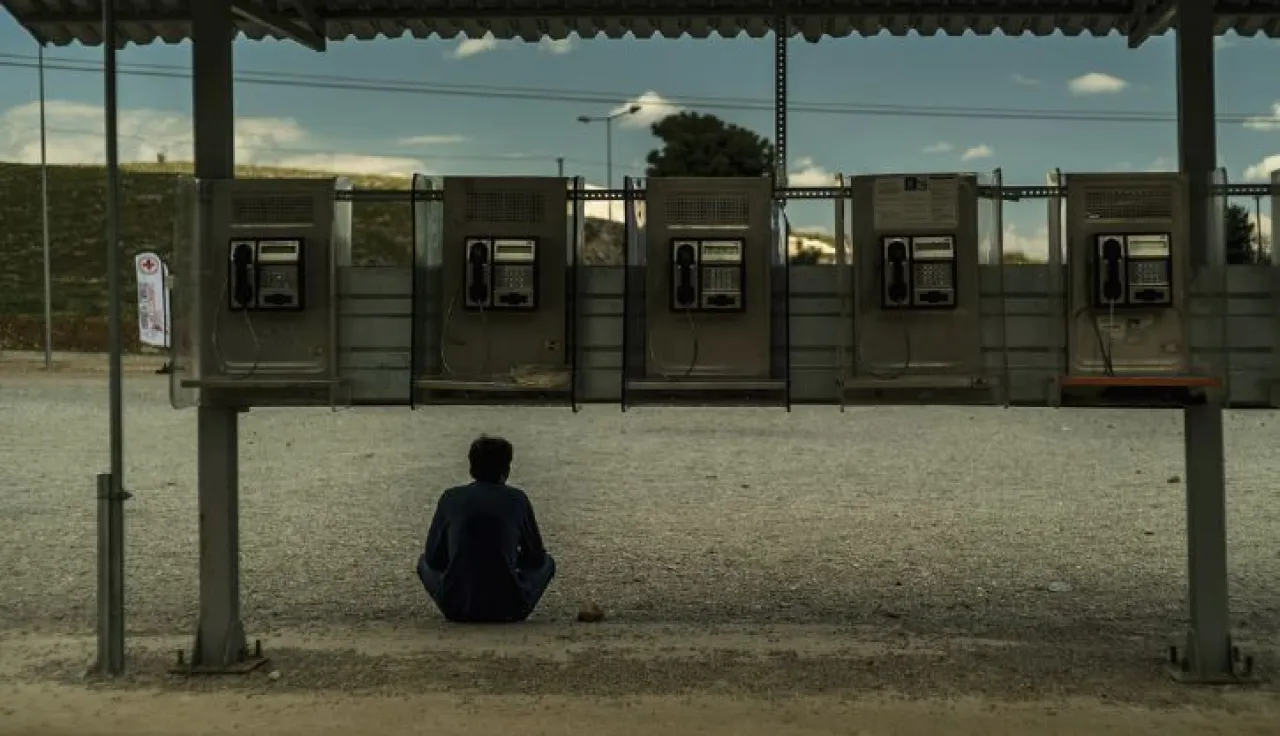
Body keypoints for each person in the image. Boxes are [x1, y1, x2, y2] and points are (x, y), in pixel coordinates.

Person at [416, 435, 557, 623]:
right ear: (506, 468)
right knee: (548, 563)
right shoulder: (517, 499)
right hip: (509, 606)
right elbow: (536, 558)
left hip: (457, 605)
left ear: (471, 467)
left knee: (422, 562)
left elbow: (433, 558)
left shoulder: (450, 498)